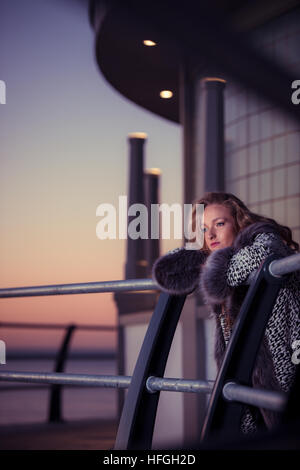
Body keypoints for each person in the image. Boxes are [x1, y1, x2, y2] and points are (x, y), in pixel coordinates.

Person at [152, 191, 300, 434]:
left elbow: (262, 254)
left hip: (287, 360)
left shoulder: (263, 239)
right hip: (248, 371)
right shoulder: (219, 264)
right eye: (203, 229)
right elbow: (169, 271)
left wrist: (210, 267)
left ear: (239, 223)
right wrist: (202, 263)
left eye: (219, 224)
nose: (210, 235)